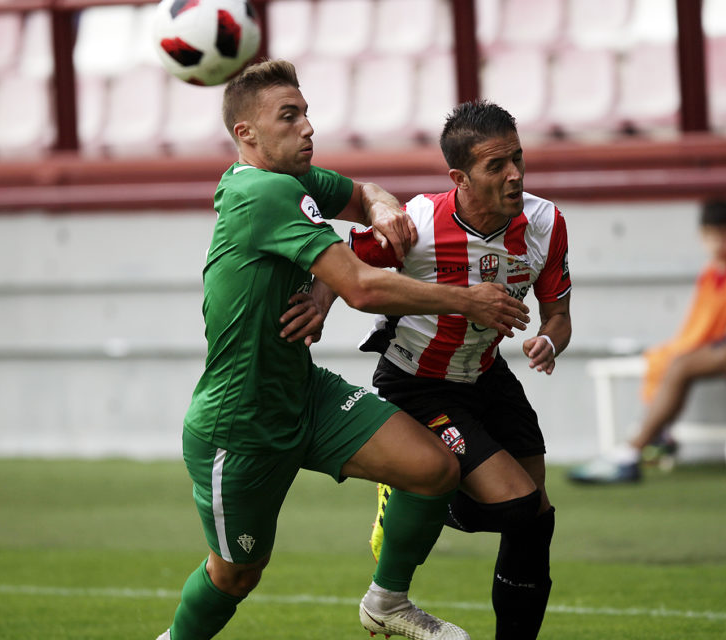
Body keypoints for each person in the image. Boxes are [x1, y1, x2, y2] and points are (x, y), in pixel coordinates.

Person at [155, 61, 531, 640]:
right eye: (289, 116)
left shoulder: (293, 180)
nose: (308, 127)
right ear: (246, 134)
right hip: (241, 423)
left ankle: (387, 603)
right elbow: (360, 287)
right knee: (236, 575)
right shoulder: (262, 192)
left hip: (304, 393)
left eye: (306, 113)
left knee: (432, 468)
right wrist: (466, 301)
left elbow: (362, 194)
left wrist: (380, 208)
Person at [294, 100, 571, 640]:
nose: (514, 174)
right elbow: (349, 259)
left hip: (487, 376)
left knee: (536, 518)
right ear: (459, 178)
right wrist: (320, 302)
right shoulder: (418, 222)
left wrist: (548, 341)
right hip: (417, 383)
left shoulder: (545, 222)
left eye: (518, 158)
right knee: (516, 507)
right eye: (497, 166)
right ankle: (419, 489)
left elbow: (557, 313)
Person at [568, 199, 726, 484]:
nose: (718, 243)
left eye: (724, 235)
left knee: (678, 364)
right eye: (712, 236)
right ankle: (650, 440)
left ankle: (633, 450)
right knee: (667, 358)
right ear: (702, 238)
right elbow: (697, 323)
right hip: (705, 348)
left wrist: (708, 347)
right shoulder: (711, 273)